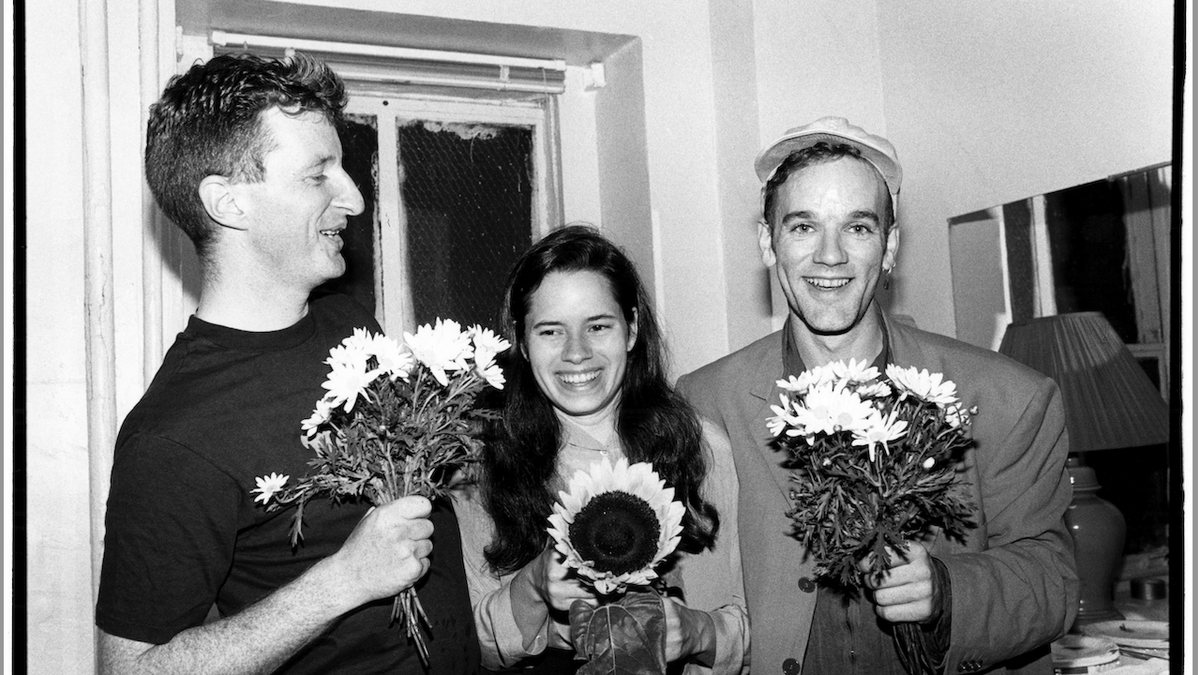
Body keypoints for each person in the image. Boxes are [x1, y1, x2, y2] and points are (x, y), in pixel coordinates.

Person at [95, 53, 480, 674]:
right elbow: (130, 669)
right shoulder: (170, 439)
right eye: (317, 175)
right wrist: (342, 581)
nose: (353, 198)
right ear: (229, 203)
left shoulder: (348, 322)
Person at [676, 117, 1078, 675]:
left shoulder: (1008, 398)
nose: (830, 256)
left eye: (858, 228)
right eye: (803, 228)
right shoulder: (705, 403)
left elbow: (1052, 582)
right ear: (768, 243)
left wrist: (944, 590)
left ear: (890, 247)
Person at [456, 225, 750, 674]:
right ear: (520, 341)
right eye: (551, 331)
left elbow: (747, 624)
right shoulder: (479, 466)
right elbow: (470, 649)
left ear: (631, 329)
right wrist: (532, 587)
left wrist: (695, 632)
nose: (577, 352)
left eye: (598, 326)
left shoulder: (699, 447)